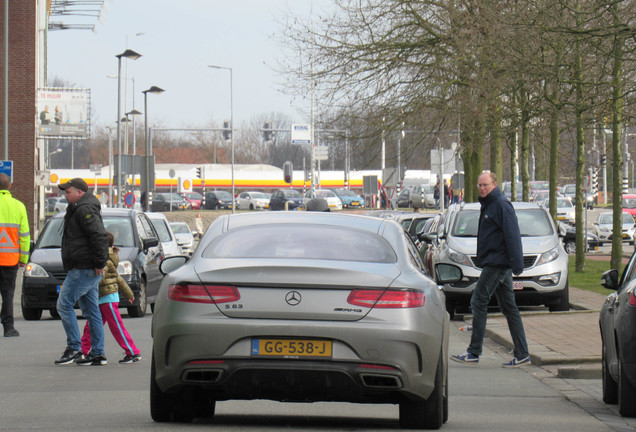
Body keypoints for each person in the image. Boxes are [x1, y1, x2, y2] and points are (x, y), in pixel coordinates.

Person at [451, 172, 530, 368]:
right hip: (496, 262)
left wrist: (517, 264)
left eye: (485, 185)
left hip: (498, 263)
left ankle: (474, 351)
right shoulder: (488, 205)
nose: (482, 188)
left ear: (494, 184)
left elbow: (512, 235)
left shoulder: (501, 205)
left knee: (478, 300)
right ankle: (522, 354)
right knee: (509, 308)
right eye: (479, 185)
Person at [55, 178, 109, 366]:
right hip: (85, 266)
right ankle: (97, 352)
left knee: (64, 305)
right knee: (91, 310)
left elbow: (99, 236)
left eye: (68, 192)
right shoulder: (78, 208)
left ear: (79, 192)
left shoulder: (84, 209)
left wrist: (100, 262)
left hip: (83, 267)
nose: (65, 195)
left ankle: (74, 348)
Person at [80, 232, 142, 364]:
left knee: (116, 327)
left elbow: (100, 278)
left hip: (107, 298)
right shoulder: (107, 258)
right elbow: (118, 278)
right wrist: (128, 293)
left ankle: (132, 351)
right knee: (91, 326)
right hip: (103, 298)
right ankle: (83, 351)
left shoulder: (104, 261)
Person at [0, 173, 30, 337]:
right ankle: (8, 327)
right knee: (8, 294)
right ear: (9, 186)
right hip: (10, 259)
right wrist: (23, 258)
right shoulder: (18, 206)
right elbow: (24, 236)